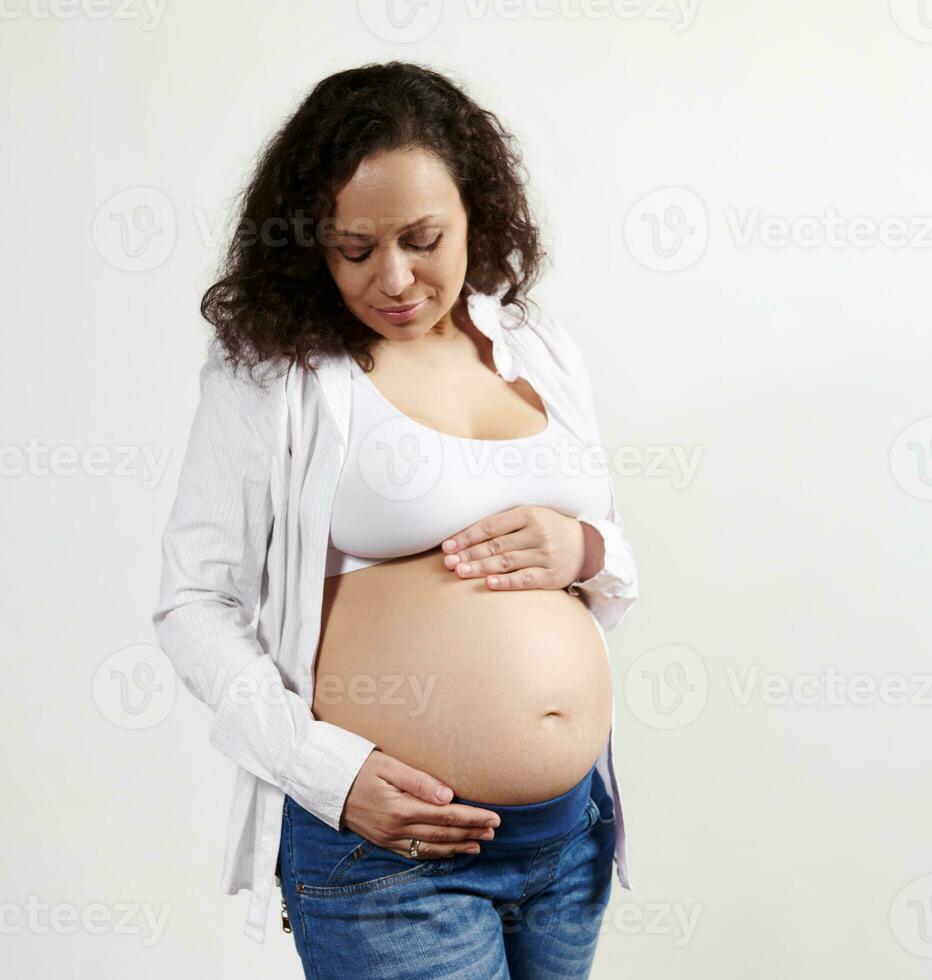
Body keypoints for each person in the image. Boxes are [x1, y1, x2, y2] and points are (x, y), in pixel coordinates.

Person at [152, 61, 640, 978]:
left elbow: (614, 557)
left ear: (476, 214)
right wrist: (323, 773)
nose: (396, 278)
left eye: (424, 239)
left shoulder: (538, 347)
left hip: (568, 841)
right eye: (354, 248)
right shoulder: (276, 372)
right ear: (312, 241)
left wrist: (581, 545)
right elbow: (193, 605)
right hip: (392, 857)